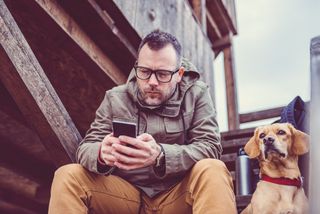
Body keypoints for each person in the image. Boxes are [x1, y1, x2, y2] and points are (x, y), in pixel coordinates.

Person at [49, 30, 237, 214]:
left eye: (163, 74)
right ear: (137, 66)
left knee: (213, 169)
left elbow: (210, 147)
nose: (152, 81)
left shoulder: (197, 94)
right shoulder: (115, 98)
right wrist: (100, 153)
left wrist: (160, 155)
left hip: (178, 195)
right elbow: (85, 148)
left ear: (179, 74)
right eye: (145, 71)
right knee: (68, 175)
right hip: (125, 196)